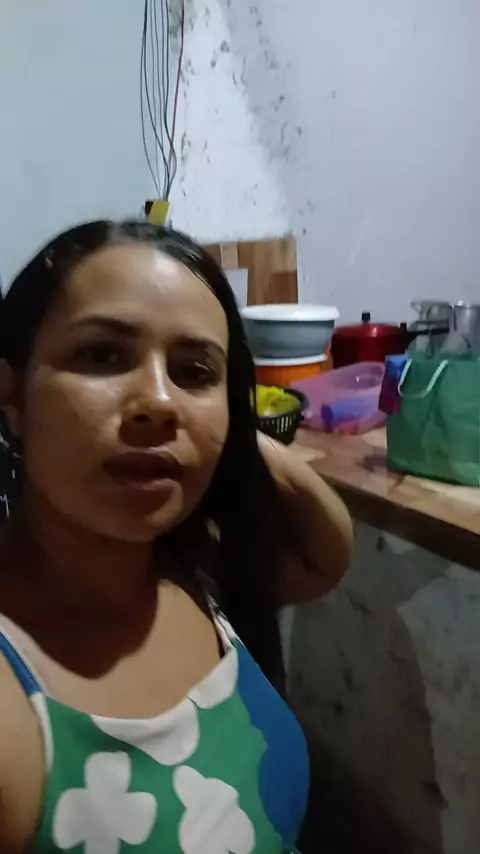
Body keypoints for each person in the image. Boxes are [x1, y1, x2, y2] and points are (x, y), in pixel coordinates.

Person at [0, 221, 352, 854]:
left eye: (193, 371)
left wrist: (229, 436)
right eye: (102, 355)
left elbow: (326, 553)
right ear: (11, 394)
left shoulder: (190, 567)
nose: (159, 401)